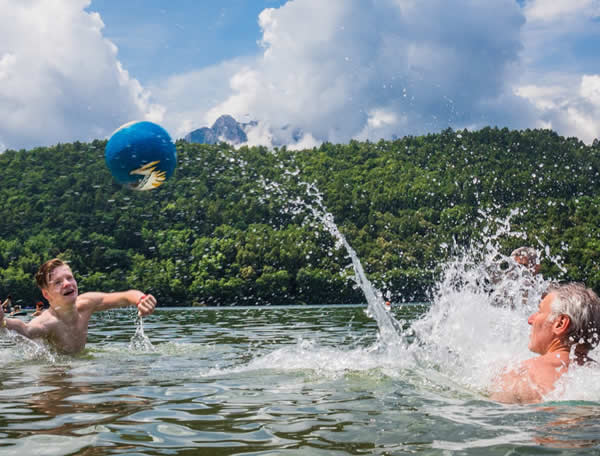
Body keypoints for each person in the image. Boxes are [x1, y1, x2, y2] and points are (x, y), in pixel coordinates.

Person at [0, 258, 156, 354]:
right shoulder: (48, 323)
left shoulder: (86, 304)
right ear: (46, 294)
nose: (67, 284)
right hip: (55, 375)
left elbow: (125, 296)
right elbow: (26, 329)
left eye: (69, 278)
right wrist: (2, 322)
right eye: (58, 282)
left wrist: (141, 299)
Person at [491, 282, 600, 403]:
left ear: (560, 323)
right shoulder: (595, 377)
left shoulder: (519, 375)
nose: (530, 320)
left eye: (539, 311)